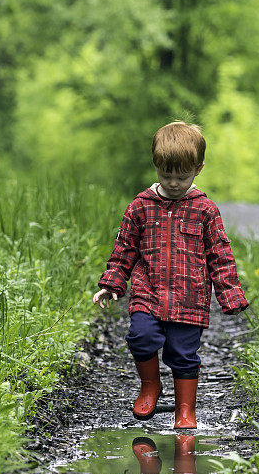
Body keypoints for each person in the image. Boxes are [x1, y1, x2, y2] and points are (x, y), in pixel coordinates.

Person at [93, 121, 249, 429]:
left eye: (182, 176)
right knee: (141, 337)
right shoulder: (141, 206)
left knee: (183, 354)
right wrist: (113, 282)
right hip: (147, 291)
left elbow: (220, 254)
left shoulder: (205, 210)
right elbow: (125, 248)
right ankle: (151, 385)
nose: (174, 183)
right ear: (156, 166)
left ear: (198, 169)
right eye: (166, 176)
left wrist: (229, 293)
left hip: (189, 299)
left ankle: (185, 410)